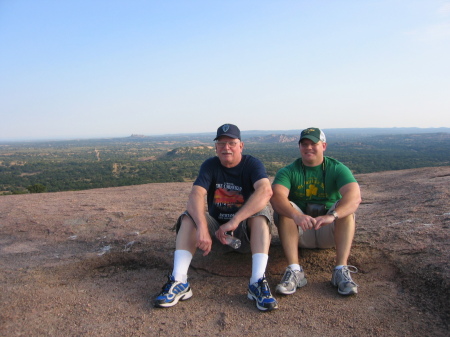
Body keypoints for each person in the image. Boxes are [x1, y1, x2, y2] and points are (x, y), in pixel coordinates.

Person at [154, 123, 278, 311]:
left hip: (244, 235)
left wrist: (234, 221)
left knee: (261, 215)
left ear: (241, 145)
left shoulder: (252, 164)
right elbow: (195, 195)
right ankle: (179, 281)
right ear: (216, 147)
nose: (226, 147)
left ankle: (257, 281)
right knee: (189, 216)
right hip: (215, 237)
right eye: (221, 143)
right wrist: (203, 228)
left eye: (231, 143)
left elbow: (265, 191)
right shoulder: (210, 165)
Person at [270, 127, 361, 296]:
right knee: (285, 209)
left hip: (329, 231)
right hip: (300, 231)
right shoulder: (288, 171)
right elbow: (276, 197)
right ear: (299, 147)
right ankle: (295, 270)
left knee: (346, 210)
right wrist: (296, 215)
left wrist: (332, 215)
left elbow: (354, 197)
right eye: (304, 144)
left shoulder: (337, 168)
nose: (308, 147)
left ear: (324, 146)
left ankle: (340, 270)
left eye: (313, 144)